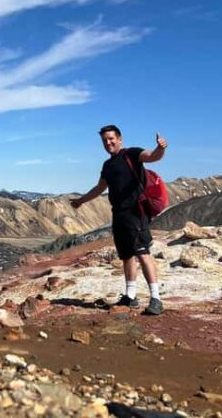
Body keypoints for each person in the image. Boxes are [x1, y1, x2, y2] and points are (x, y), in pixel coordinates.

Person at [72, 125, 168, 315]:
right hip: (119, 214)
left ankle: (156, 298)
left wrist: (161, 148)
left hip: (136, 212)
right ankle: (130, 296)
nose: (108, 143)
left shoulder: (131, 154)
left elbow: (152, 157)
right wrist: (81, 201)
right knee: (126, 255)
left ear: (120, 139)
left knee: (143, 253)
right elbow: (99, 189)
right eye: (105, 140)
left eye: (111, 139)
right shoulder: (107, 166)